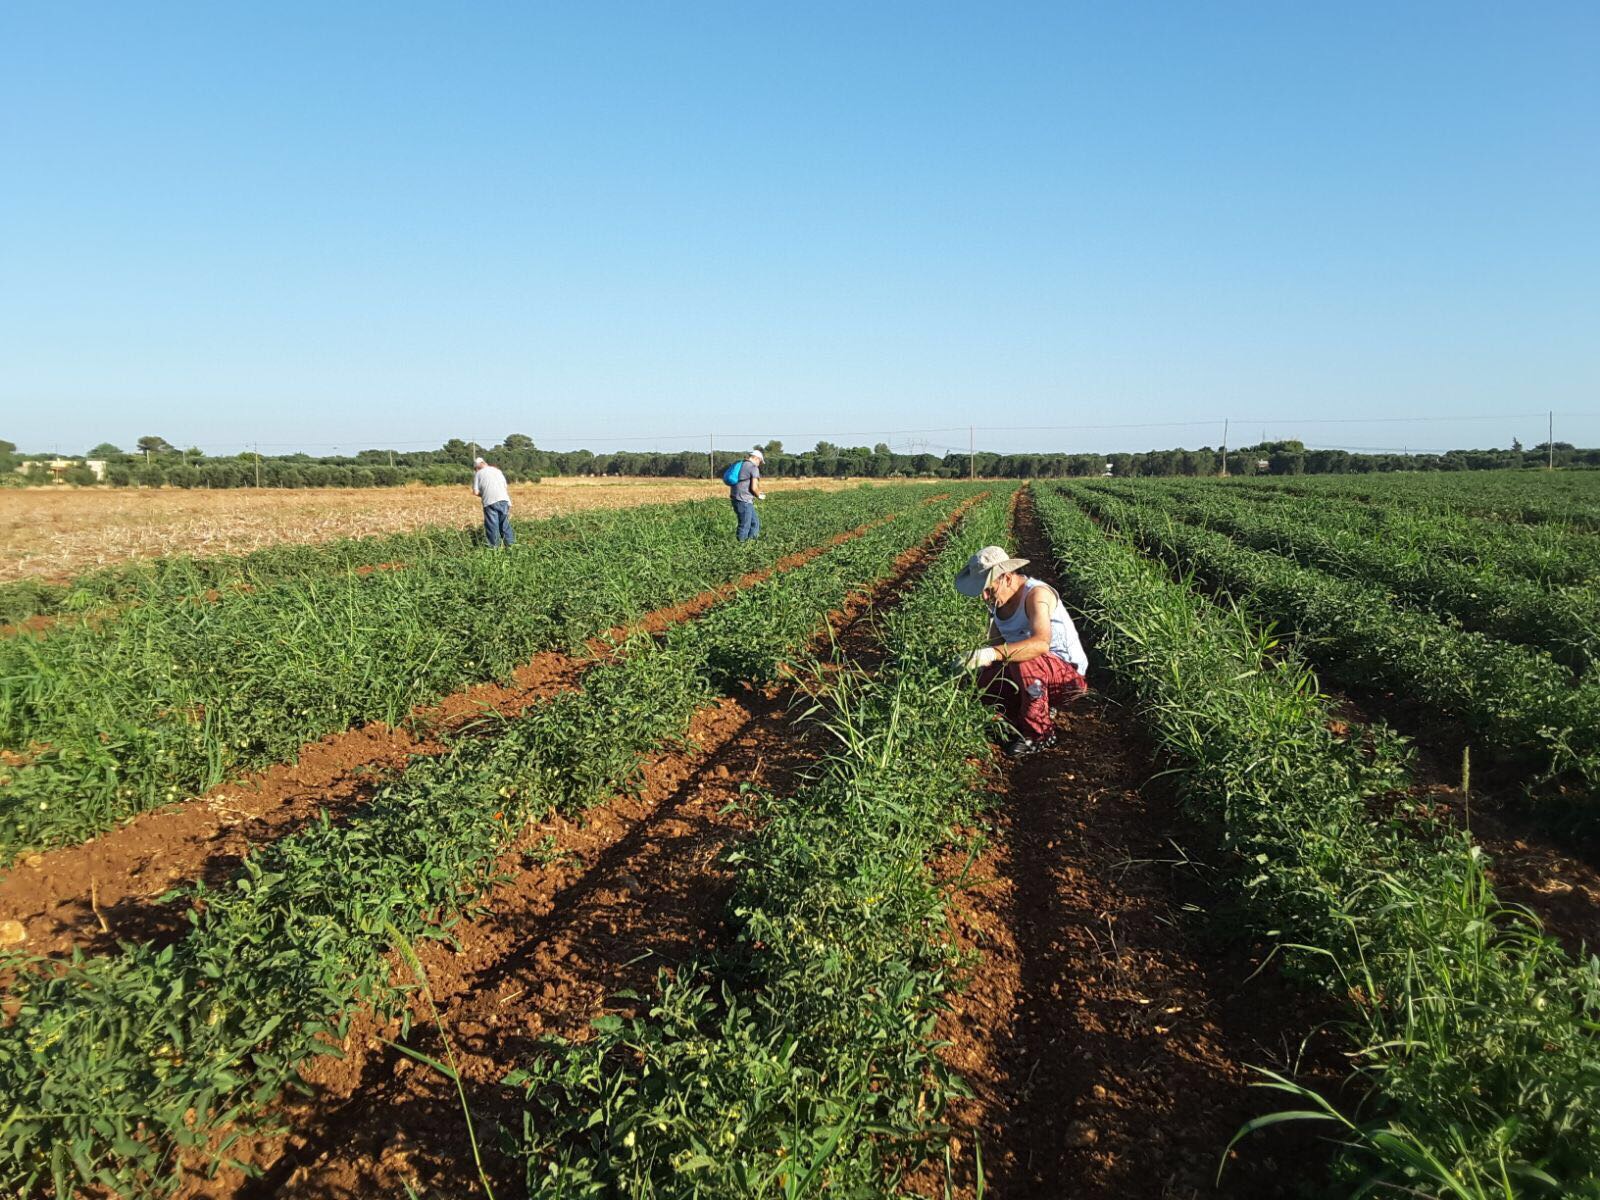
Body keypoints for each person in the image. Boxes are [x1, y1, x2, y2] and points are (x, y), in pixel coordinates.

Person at [953, 545, 1088, 757]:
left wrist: (992, 653)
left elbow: (1040, 643)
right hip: (1031, 677)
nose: (986, 597)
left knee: (1021, 657)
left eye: (989, 589)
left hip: (1066, 677)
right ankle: (1013, 721)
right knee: (981, 683)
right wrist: (975, 663)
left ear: (1007, 578)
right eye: (982, 592)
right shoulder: (998, 603)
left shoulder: (1036, 595)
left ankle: (1040, 733)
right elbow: (996, 646)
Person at [472, 455, 515, 547]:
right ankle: (511, 548)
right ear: (485, 463)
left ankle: (494, 551)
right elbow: (505, 486)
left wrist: (483, 494)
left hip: (490, 502)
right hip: (504, 500)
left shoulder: (478, 474)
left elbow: (475, 492)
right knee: (504, 525)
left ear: (477, 467)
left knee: (492, 527)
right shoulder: (498, 471)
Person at [729, 447, 767, 541]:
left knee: (754, 523)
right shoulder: (753, 468)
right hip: (744, 500)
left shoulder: (741, 464)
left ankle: (751, 545)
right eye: (760, 462)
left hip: (736, 498)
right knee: (745, 526)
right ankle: (742, 548)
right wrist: (760, 495)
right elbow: (754, 488)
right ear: (756, 458)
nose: (759, 464)